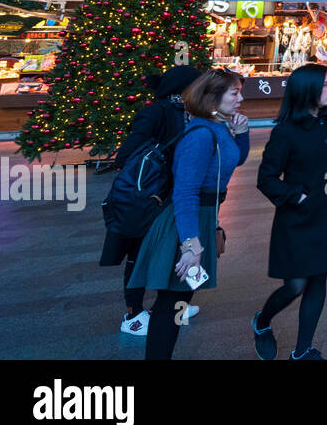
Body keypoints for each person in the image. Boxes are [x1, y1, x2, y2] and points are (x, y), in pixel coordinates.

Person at [128, 69, 250, 360]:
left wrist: (243, 134)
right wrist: (190, 244)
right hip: (186, 223)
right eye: (234, 93)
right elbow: (185, 193)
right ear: (212, 98)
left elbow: (234, 158)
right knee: (171, 304)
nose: (241, 98)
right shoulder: (201, 134)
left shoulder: (217, 127)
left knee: (176, 301)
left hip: (202, 218)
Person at [253, 64, 327, 360]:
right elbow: (266, 178)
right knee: (296, 284)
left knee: (319, 279)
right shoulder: (286, 132)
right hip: (298, 220)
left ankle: (302, 350)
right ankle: (262, 321)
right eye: (325, 84)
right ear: (307, 89)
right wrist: (296, 196)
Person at [101, 64, 201, 337]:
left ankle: (174, 308)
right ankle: (132, 314)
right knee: (138, 254)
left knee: (174, 253)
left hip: (176, 195)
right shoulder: (156, 112)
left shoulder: (192, 113)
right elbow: (127, 156)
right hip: (149, 198)